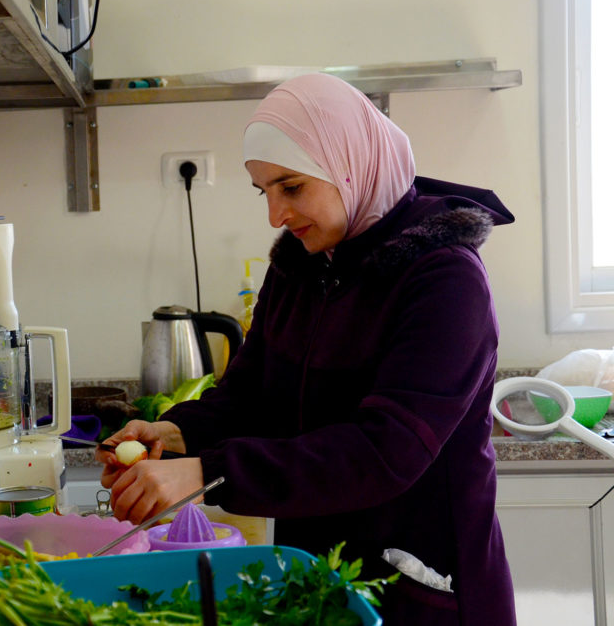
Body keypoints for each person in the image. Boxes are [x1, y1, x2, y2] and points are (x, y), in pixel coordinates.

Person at [98, 73, 517, 625]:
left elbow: (385, 451)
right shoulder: (300, 267)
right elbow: (249, 397)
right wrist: (175, 434)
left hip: (420, 580)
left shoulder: (444, 278)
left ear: (351, 165)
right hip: (317, 574)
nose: (275, 215)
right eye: (265, 192)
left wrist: (208, 472)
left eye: (292, 188)